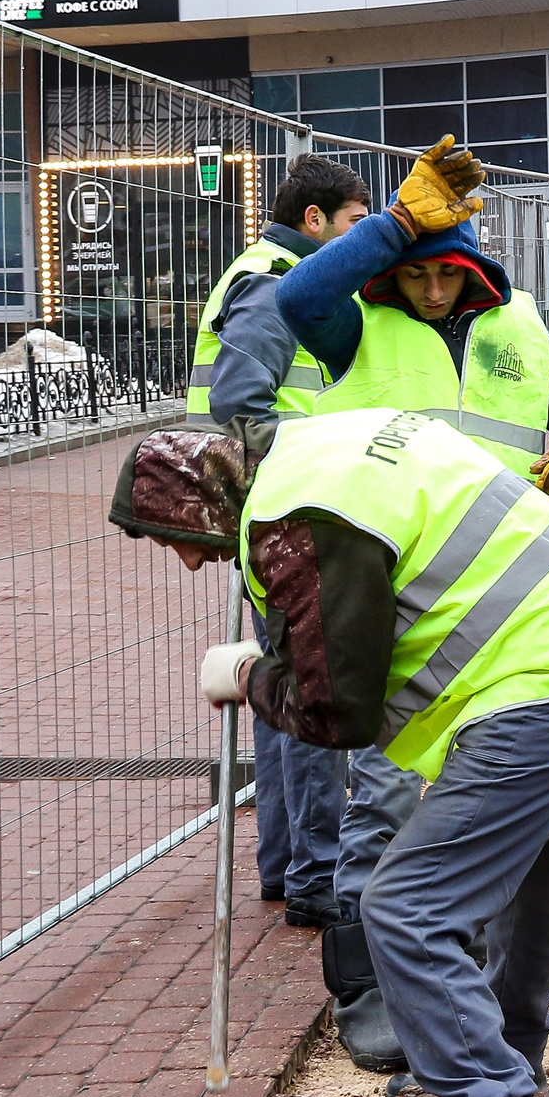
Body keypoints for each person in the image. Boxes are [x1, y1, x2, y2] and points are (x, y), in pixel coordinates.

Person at [110, 408, 549, 1097]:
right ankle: (506, 1078)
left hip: (547, 673)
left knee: (408, 906)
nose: (180, 558)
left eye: (173, 536)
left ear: (203, 501)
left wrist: (249, 674)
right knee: (518, 894)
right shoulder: (318, 450)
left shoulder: (296, 517)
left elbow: (339, 711)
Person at [277, 137, 549, 1073]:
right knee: (386, 790)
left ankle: (470, 993)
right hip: (397, 591)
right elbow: (296, 297)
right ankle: (364, 986)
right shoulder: (355, 323)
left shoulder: (519, 326)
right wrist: (395, 223)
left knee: (491, 809)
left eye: (449, 276)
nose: (434, 292)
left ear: (478, 272)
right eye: (418, 275)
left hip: (506, 604)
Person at [186, 154, 371, 931]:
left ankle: (286, 863)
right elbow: (239, 401)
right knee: (314, 690)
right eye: (356, 226)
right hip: (292, 502)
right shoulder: (274, 281)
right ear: (315, 221)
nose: (362, 244)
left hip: (283, 502)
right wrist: (339, 448)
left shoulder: (272, 270)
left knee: (286, 685)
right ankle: (315, 877)